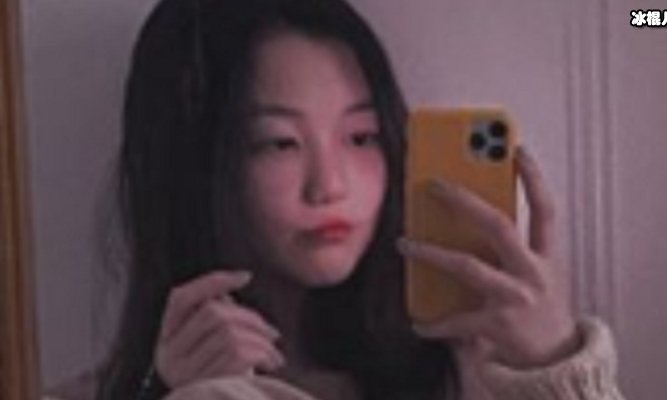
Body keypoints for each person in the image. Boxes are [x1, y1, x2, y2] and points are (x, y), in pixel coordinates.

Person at [81, 0, 626, 399]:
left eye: (362, 136)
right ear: (193, 163)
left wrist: (556, 367)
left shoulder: (475, 372)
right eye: (280, 143)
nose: (331, 186)